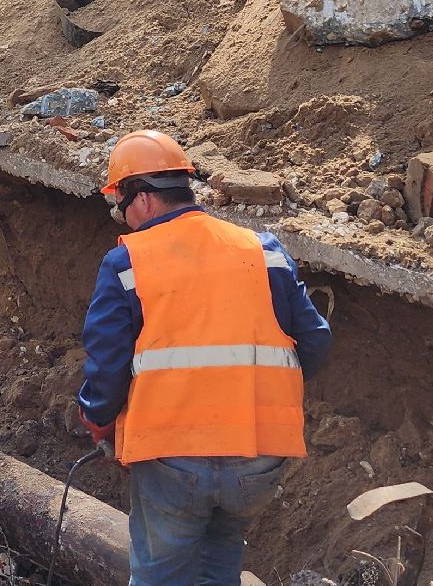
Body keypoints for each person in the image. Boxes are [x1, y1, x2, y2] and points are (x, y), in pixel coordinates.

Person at [77, 130, 331, 585]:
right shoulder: (264, 251)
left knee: (160, 574)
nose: (124, 219)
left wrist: (99, 420)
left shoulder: (128, 263)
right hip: (258, 458)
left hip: (173, 458)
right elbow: (314, 342)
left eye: (121, 206)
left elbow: (107, 363)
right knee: (220, 560)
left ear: (144, 199)